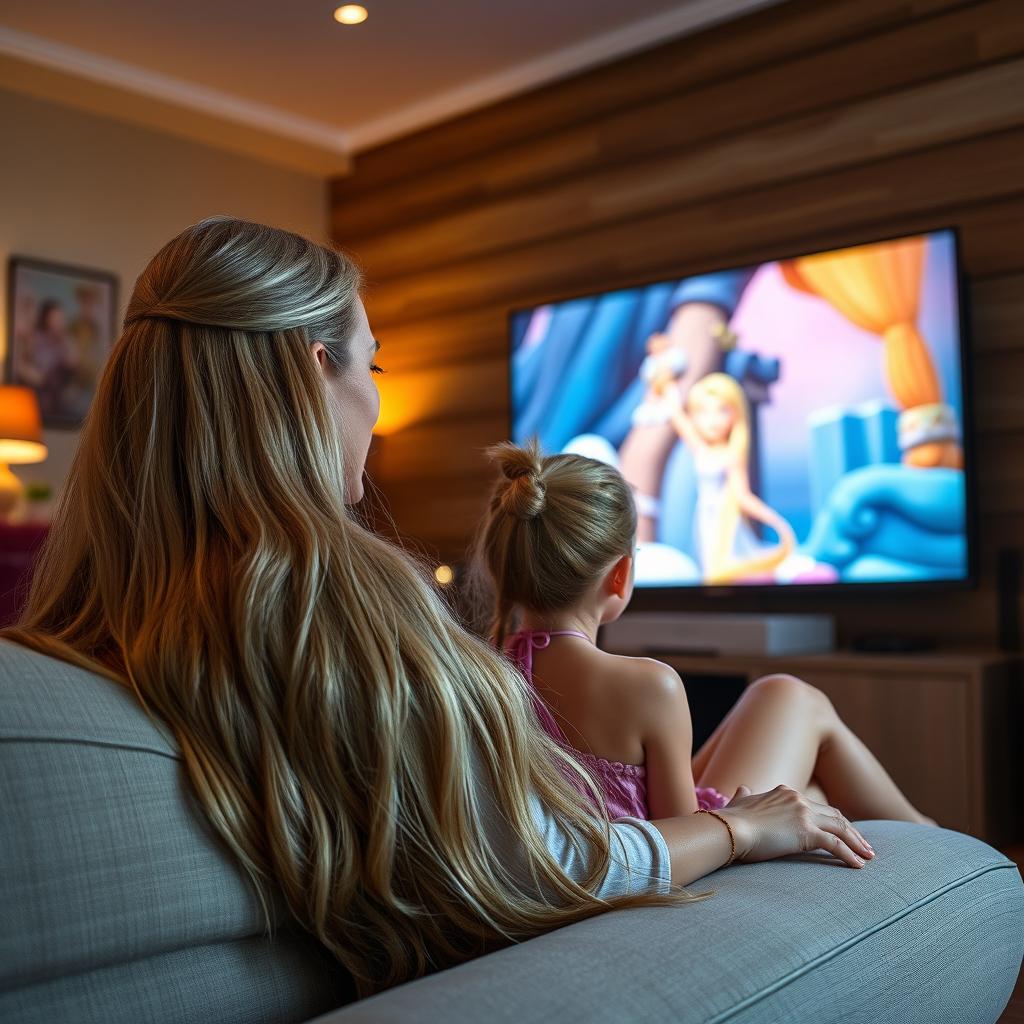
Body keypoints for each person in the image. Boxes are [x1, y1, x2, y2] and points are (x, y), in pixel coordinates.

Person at [0, 217, 881, 1000]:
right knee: (794, 746)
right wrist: (733, 828)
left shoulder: (106, 618)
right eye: (372, 363)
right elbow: (543, 866)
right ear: (317, 372)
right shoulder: (335, 609)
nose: (377, 405)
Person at [476, 439, 937, 825]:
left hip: (602, 843)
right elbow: (683, 836)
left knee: (797, 743)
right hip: (676, 857)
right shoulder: (649, 686)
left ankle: (928, 841)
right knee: (791, 698)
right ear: (621, 574)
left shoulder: (479, 679)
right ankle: (938, 844)